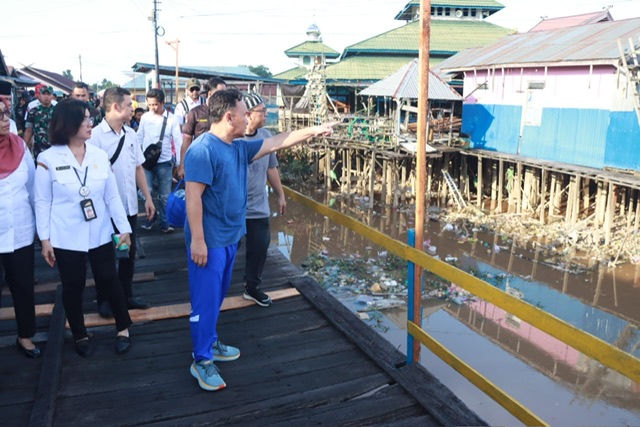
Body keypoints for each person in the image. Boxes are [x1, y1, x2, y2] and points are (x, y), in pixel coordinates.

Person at [184, 88, 336, 391]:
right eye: (243, 113)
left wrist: (313, 131)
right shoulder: (203, 150)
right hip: (210, 241)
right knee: (204, 301)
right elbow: (193, 198)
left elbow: (276, 142)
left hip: (229, 236)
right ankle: (201, 360)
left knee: (218, 296)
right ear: (230, 117)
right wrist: (198, 241)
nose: (247, 118)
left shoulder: (237, 147)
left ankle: (211, 343)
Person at [34, 98, 133, 357]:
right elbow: (42, 201)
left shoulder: (99, 155)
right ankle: (79, 333)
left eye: (91, 118)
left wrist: (124, 230)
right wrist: (45, 239)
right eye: (85, 119)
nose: (91, 123)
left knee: (109, 278)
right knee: (73, 284)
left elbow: (112, 197)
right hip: (65, 236)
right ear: (68, 123)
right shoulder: (48, 159)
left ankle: (123, 327)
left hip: (99, 231)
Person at [87, 87, 155, 317]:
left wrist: (147, 197)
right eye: (128, 105)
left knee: (127, 253)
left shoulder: (131, 134)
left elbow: (138, 167)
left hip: (128, 208)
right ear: (115, 107)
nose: (132, 108)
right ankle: (104, 298)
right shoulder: (94, 137)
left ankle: (126, 295)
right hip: (106, 211)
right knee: (105, 255)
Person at [0, 97, 40, 358]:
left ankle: (25, 335)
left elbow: (33, 188)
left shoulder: (21, 148)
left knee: (23, 286)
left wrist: (42, 233)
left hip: (22, 231)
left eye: (5, 114)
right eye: (0, 116)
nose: (5, 119)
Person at [241, 93, 285, 307]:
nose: (266, 114)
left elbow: (271, 168)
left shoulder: (266, 136)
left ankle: (252, 286)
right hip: (234, 208)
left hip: (258, 205)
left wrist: (280, 194)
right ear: (248, 114)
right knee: (225, 251)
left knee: (260, 247)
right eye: (262, 111)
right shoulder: (234, 138)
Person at [136, 89, 182, 233]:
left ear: (163, 103)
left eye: (155, 104)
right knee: (145, 191)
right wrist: (136, 158)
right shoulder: (145, 117)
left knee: (164, 196)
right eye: (150, 105)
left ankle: (164, 222)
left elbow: (178, 140)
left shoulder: (172, 118)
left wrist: (179, 162)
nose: (153, 108)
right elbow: (139, 137)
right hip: (146, 160)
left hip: (165, 161)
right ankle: (152, 215)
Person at [177, 77, 227, 179]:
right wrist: (182, 165)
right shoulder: (195, 113)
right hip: (200, 160)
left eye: (225, 93)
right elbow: (187, 140)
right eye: (220, 93)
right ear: (210, 94)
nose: (224, 97)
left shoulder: (226, 113)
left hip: (221, 162)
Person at [24, 85, 55, 158]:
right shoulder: (33, 112)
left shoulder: (58, 111)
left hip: (55, 148)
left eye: (49, 94)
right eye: (44, 94)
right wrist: (23, 147)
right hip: (39, 150)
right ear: (39, 96)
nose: (46, 96)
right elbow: (29, 130)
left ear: (52, 96)